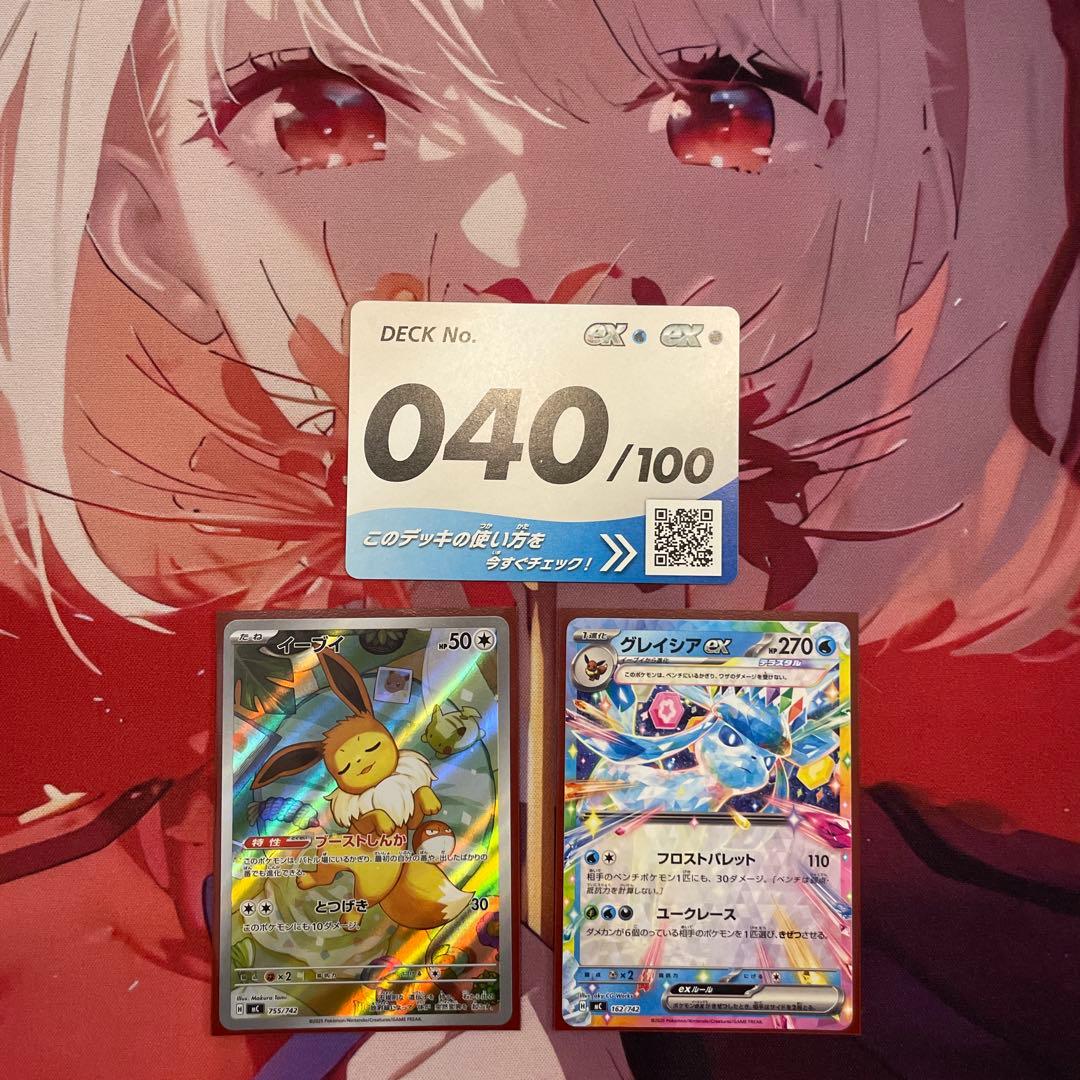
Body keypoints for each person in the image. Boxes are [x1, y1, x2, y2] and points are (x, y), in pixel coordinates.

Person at [0, 2, 1076, 1077]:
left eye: (724, 114)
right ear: (145, 226)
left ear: (911, 211)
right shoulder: (32, 974)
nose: (519, 226)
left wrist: (687, 706)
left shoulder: (1025, 973)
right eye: (322, 119)